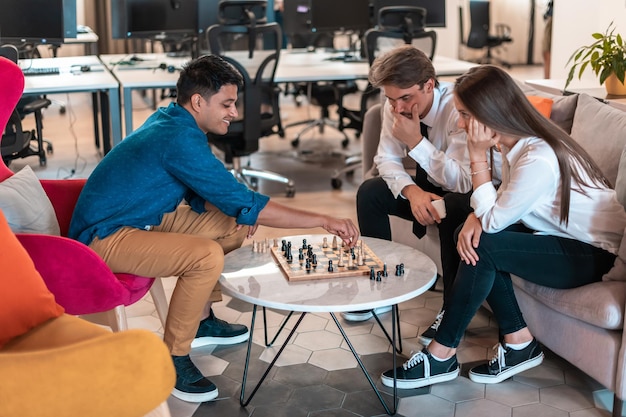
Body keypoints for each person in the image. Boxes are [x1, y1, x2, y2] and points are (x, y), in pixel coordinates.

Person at [68, 55, 359, 403]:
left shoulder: (175, 121)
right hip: (105, 236)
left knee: (231, 224)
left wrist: (238, 209)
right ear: (197, 102)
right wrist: (323, 219)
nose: (234, 113)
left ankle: (202, 319)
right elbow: (245, 201)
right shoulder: (179, 138)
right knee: (205, 255)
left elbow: (211, 197)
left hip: (140, 217)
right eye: (227, 104)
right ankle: (174, 356)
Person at [381, 64, 626, 389]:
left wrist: (476, 154)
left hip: (594, 254)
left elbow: (494, 220)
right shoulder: (519, 145)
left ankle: (441, 354)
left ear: (491, 112)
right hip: (561, 236)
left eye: (466, 116)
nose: (462, 124)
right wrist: (473, 215)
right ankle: (519, 342)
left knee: (483, 243)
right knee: (467, 235)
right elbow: (500, 204)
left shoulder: (536, 157)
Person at [347, 45, 501, 343]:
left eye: (406, 98)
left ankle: (450, 312)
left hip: (464, 195)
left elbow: (461, 180)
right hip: (426, 189)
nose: (398, 108)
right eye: (391, 99)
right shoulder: (396, 106)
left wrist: (416, 142)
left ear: (429, 85)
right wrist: (412, 191)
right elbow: (385, 160)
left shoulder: (458, 110)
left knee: (451, 207)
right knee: (370, 192)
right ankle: (379, 289)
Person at [543, 0, 553, 79]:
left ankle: (547, 80)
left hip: (554, 18)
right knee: (545, 52)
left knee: (547, 51)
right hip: (550, 16)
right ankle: (546, 80)